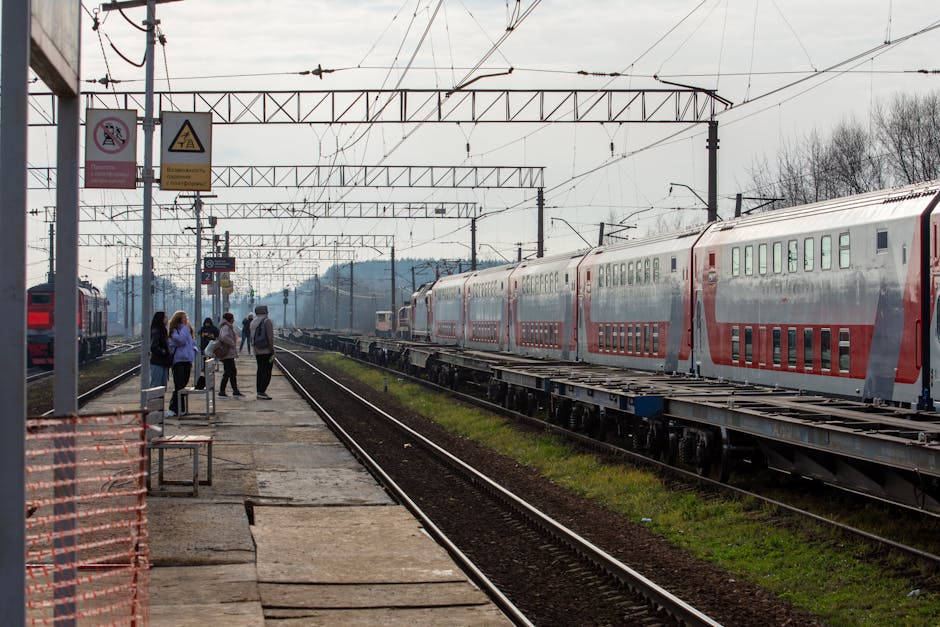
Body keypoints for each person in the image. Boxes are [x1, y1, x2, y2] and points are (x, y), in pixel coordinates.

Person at [166, 310, 197, 417]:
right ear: (179, 319)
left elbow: (191, 342)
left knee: (182, 386)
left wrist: (194, 350)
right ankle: (173, 408)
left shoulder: (186, 330)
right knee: (179, 386)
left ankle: (180, 409)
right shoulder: (175, 331)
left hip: (187, 360)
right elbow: (180, 341)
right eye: (184, 317)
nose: (186, 319)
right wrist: (185, 329)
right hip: (178, 361)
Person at [249, 305, 275, 400]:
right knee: (267, 372)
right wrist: (272, 350)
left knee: (260, 370)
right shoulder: (267, 321)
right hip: (266, 351)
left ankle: (259, 391)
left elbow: (251, 337)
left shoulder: (253, 322)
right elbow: (270, 338)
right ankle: (262, 391)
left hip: (257, 351)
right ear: (265, 312)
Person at [217, 312, 241, 397]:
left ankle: (234, 390)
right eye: (233, 318)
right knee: (229, 372)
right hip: (227, 353)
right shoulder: (226, 327)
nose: (234, 320)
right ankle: (223, 391)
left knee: (231, 372)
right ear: (230, 319)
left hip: (228, 353)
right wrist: (232, 343)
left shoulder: (226, 326)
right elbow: (224, 337)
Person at [148, 311, 172, 390]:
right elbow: (153, 347)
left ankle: (160, 398)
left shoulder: (163, 330)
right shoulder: (157, 330)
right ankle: (153, 398)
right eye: (165, 317)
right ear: (160, 318)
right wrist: (164, 352)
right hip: (158, 362)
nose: (167, 319)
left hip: (163, 362)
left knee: (162, 387)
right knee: (156, 386)